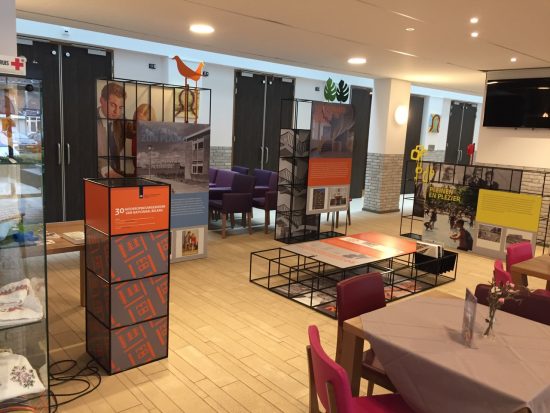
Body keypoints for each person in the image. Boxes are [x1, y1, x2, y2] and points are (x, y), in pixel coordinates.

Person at [97, 82, 126, 177]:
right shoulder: (90, 121)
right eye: (113, 105)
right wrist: (108, 172)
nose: (116, 112)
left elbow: (133, 130)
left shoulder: (121, 119)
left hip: (117, 173)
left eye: (120, 107)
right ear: (101, 101)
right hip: (95, 176)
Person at [125, 104, 156, 175]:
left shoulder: (159, 138)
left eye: (143, 123)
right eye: (137, 122)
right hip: (138, 176)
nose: (139, 126)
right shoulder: (135, 136)